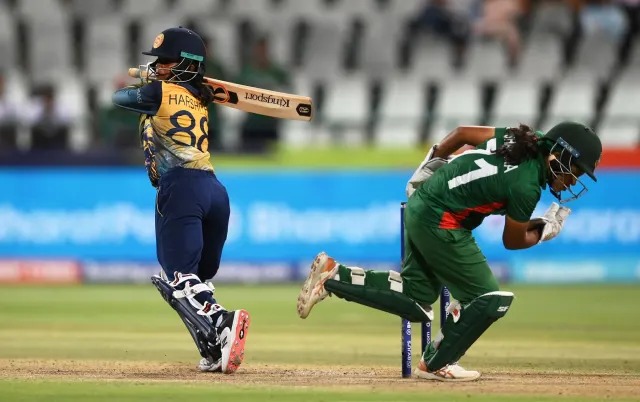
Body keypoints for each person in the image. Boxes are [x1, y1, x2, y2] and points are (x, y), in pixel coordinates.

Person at [296, 121, 602, 381]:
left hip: (422, 202)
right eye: (575, 170)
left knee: (415, 299)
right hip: (441, 221)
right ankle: (436, 363)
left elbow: (462, 134)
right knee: (488, 298)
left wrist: (430, 161)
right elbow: (513, 240)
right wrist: (544, 231)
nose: (573, 180)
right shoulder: (527, 185)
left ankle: (333, 275)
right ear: (559, 155)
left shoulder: (521, 138)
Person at [111, 27, 250, 374]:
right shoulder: (200, 98)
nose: (158, 65)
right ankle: (213, 348)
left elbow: (120, 98)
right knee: (193, 281)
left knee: (177, 277)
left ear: (187, 64)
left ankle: (223, 320)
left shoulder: (158, 91)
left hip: (181, 188)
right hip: (214, 191)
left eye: (165, 60)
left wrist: (145, 81)